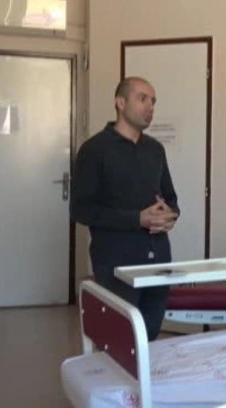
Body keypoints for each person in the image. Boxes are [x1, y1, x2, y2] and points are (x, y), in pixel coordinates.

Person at [71, 76, 179, 341]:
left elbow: (171, 199)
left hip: (159, 258)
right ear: (120, 103)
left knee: (149, 335)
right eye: (143, 99)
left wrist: (170, 215)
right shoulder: (94, 150)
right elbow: (81, 210)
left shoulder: (155, 150)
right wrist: (136, 219)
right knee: (120, 339)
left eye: (153, 101)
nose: (150, 107)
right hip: (116, 261)